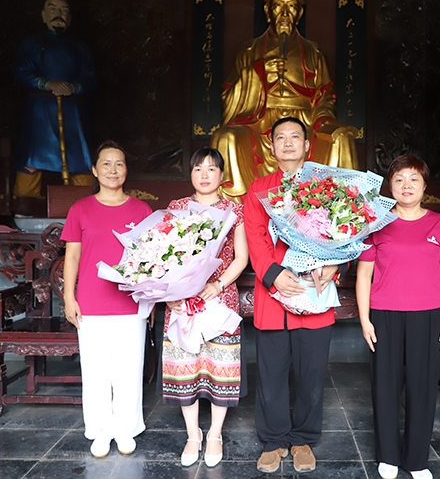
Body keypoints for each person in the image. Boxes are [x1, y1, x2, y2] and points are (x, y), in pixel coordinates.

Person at [244, 117, 340, 474]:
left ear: (306, 145)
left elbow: (341, 230)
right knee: (270, 374)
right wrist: (274, 275)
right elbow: (255, 237)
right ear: (271, 146)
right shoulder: (258, 190)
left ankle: (303, 438)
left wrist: (335, 265)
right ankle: (273, 440)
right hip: (273, 296)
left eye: (294, 137)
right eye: (280, 137)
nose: (287, 143)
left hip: (315, 292)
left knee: (312, 373)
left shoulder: (327, 187)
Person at [356, 155, 440, 479]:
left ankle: (416, 460)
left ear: (424, 186)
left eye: (413, 179)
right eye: (399, 179)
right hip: (385, 314)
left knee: (422, 388)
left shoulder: (439, 224)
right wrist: (365, 320)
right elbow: (363, 275)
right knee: (385, 387)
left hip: (427, 316)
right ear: (390, 185)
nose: (406, 186)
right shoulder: (377, 222)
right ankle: (387, 456)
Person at [211, 0, 358, 201]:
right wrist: (257, 72)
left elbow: (325, 96)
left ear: (300, 13)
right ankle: (238, 209)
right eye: (278, 5)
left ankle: (339, 210)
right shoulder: (249, 50)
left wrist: (324, 120)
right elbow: (229, 97)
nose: (285, 13)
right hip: (258, 122)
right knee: (226, 136)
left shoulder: (314, 52)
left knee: (342, 138)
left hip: (304, 123)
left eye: (292, 6)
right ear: (267, 11)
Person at [60, 140, 152, 458]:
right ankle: (100, 431)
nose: (113, 170)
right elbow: (72, 258)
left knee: (129, 368)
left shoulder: (142, 211)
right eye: (107, 164)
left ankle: (126, 428)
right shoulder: (80, 209)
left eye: (120, 163)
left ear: (126, 170)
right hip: (90, 304)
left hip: (130, 303)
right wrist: (69, 298)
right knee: (96, 370)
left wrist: (150, 299)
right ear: (95, 170)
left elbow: (151, 260)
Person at [160, 148, 249, 468]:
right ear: (191, 174)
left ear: (221, 176)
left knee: (219, 368)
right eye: (198, 169)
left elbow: (241, 257)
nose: (205, 174)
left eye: (211, 169)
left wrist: (217, 285)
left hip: (218, 300)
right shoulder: (178, 208)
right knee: (185, 367)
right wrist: (171, 289)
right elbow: (163, 253)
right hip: (182, 302)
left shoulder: (233, 209)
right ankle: (192, 434)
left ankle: (214, 434)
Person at [13, 0, 98, 215]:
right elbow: (21, 71)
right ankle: (25, 202)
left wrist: (74, 87)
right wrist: (46, 83)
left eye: (64, 10)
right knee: (33, 156)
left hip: (73, 111)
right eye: (52, 9)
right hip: (41, 108)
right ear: (43, 15)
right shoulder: (32, 43)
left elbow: (91, 77)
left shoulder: (79, 47)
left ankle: (84, 204)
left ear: (69, 18)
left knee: (80, 157)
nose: (59, 14)